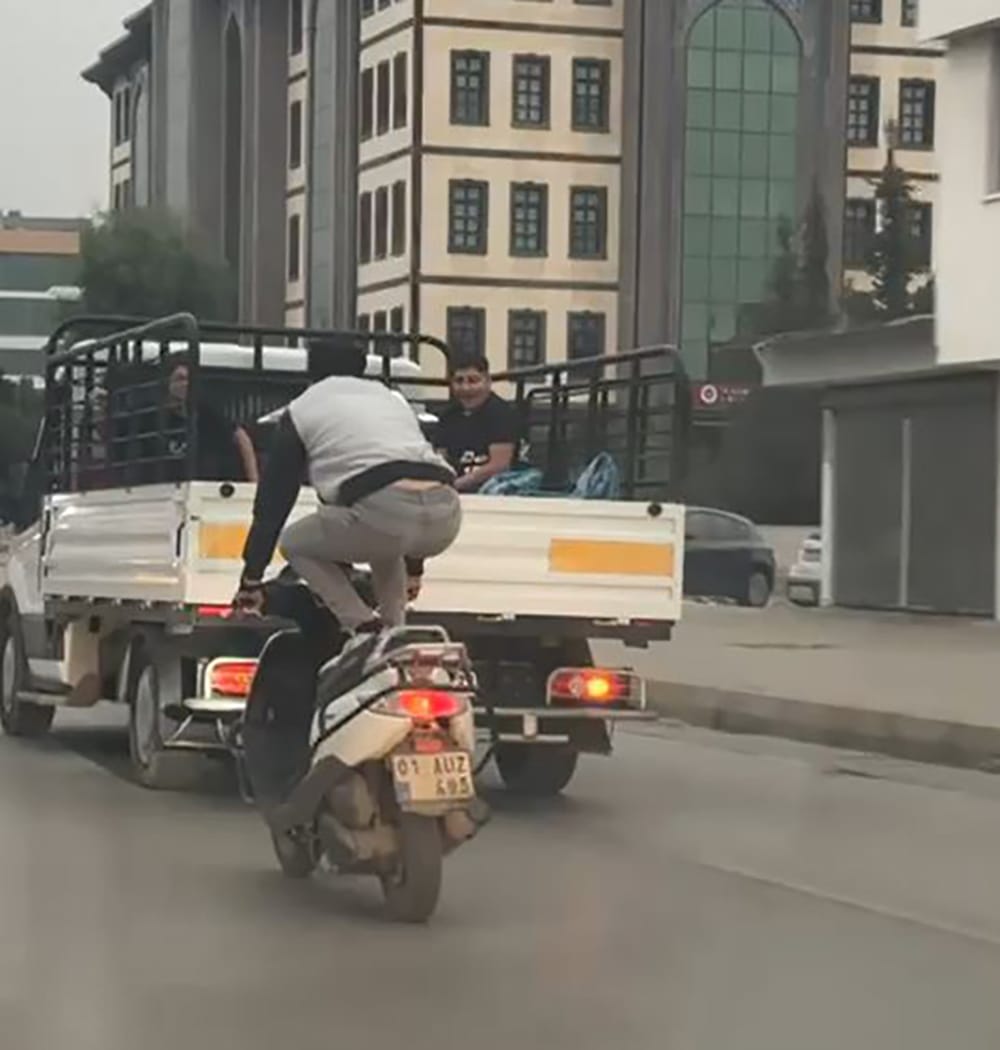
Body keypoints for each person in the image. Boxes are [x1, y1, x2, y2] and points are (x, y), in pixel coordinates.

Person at [233, 338, 460, 634]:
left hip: (384, 508)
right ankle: (395, 630)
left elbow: (273, 504)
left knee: (293, 542)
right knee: (384, 541)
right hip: (446, 511)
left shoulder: (303, 408)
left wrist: (251, 579)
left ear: (311, 371)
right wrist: (415, 569)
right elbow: (413, 480)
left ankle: (363, 625)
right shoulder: (390, 398)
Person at [435, 354, 524, 493]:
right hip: (452, 489)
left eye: (473, 381)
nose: (466, 388)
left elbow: (499, 465)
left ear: (488, 382)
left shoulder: (502, 414)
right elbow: (440, 458)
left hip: (494, 490)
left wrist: (454, 486)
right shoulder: (448, 416)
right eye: (459, 381)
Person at [164, 361, 259, 483]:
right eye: (180, 379)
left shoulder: (206, 414)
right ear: (169, 384)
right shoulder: (157, 419)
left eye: (189, 380)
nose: (185, 384)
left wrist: (254, 483)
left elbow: (241, 437)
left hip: (204, 487)